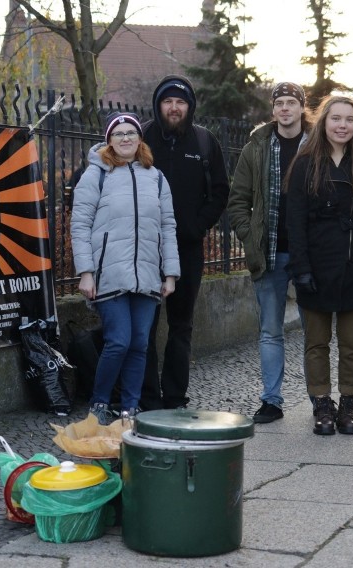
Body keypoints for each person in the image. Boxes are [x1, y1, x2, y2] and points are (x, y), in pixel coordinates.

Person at [71, 112, 180, 423]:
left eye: (131, 132)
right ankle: (99, 403)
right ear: (109, 140)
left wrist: (170, 273)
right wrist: (86, 272)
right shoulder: (96, 176)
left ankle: (130, 409)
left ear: (139, 138)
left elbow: (167, 226)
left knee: (139, 344)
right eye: (118, 133)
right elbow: (79, 225)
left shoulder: (156, 177)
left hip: (147, 274)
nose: (125, 138)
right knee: (118, 341)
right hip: (108, 274)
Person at [286, 95, 353, 436]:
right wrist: (301, 269)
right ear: (324, 122)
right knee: (316, 343)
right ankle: (321, 403)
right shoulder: (304, 165)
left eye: (349, 119)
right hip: (315, 265)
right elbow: (294, 223)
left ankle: (348, 405)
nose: (342, 125)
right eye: (336, 119)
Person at [140, 75, 230, 410]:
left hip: (187, 249)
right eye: (168, 101)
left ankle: (175, 396)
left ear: (189, 107)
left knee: (181, 326)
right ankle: (148, 398)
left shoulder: (205, 142)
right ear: (158, 104)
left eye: (181, 102)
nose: (174, 108)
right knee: (144, 326)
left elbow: (220, 190)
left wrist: (197, 225)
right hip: (145, 249)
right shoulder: (141, 137)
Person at [228, 82, 310, 423]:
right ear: (273, 109)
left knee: (315, 332)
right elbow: (237, 201)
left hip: (311, 255)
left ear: (302, 107)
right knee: (270, 330)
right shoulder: (257, 146)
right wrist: (250, 238)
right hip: (270, 252)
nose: (286, 109)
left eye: (292, 102)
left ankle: (318, 398)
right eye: (280, 103)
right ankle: (272, 401)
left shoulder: (317, 144)